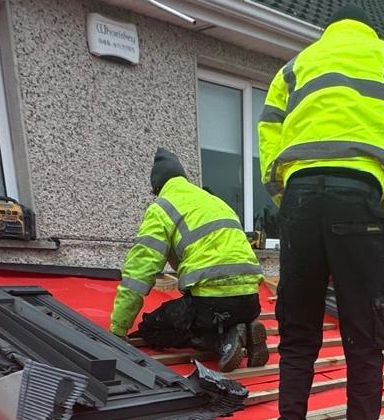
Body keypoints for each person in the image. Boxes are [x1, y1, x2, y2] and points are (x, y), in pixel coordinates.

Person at [258, 2, 384, 420]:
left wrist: (288, 201)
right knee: (364, 337)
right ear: (368, 30)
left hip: (299, 200)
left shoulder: (296, 67)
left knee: (298, 332)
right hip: (360, 197)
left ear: (329, 32)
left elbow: (268, 142)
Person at [109, 149, 268, 370]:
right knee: (209, 312)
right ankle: (243, 330)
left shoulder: (162, 207)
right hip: (251, 301)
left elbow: (139, 272)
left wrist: (118, 328)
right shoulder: (215, 201)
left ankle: (221, 341)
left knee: (152, 328)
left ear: (158, 187)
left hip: (212, 305)